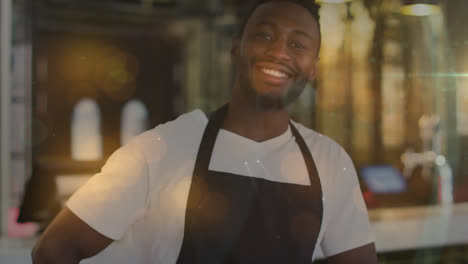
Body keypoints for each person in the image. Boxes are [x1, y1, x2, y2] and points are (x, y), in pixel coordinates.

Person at [32, 0, 378, 263]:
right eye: (265, 35)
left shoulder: (329, 161)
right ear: (235, 48)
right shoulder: (163, 148)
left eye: (298, 44)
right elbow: (54, 249)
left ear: (312, 69)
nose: (279, 51)